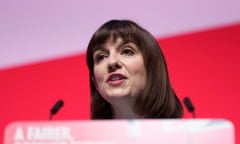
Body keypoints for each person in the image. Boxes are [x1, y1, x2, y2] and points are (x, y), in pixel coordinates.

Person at [86, 19, 183, 119]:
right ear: (94, 81)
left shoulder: (186, 134)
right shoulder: (79, 135)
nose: (112, 62)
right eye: (101, 57)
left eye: (127, 52)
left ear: (152, 68)